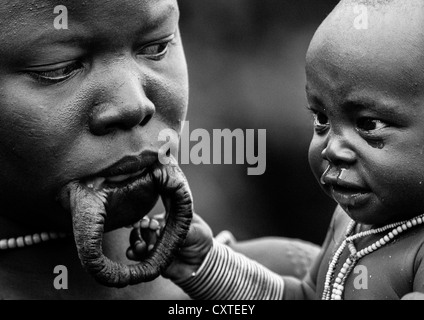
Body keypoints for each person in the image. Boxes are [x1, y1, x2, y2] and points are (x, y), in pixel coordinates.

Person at [130, 0, 424, 300]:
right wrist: (206, 265)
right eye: (322, 119)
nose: (332, 148)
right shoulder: (349, 223)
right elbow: (305, 296)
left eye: (368, 124)